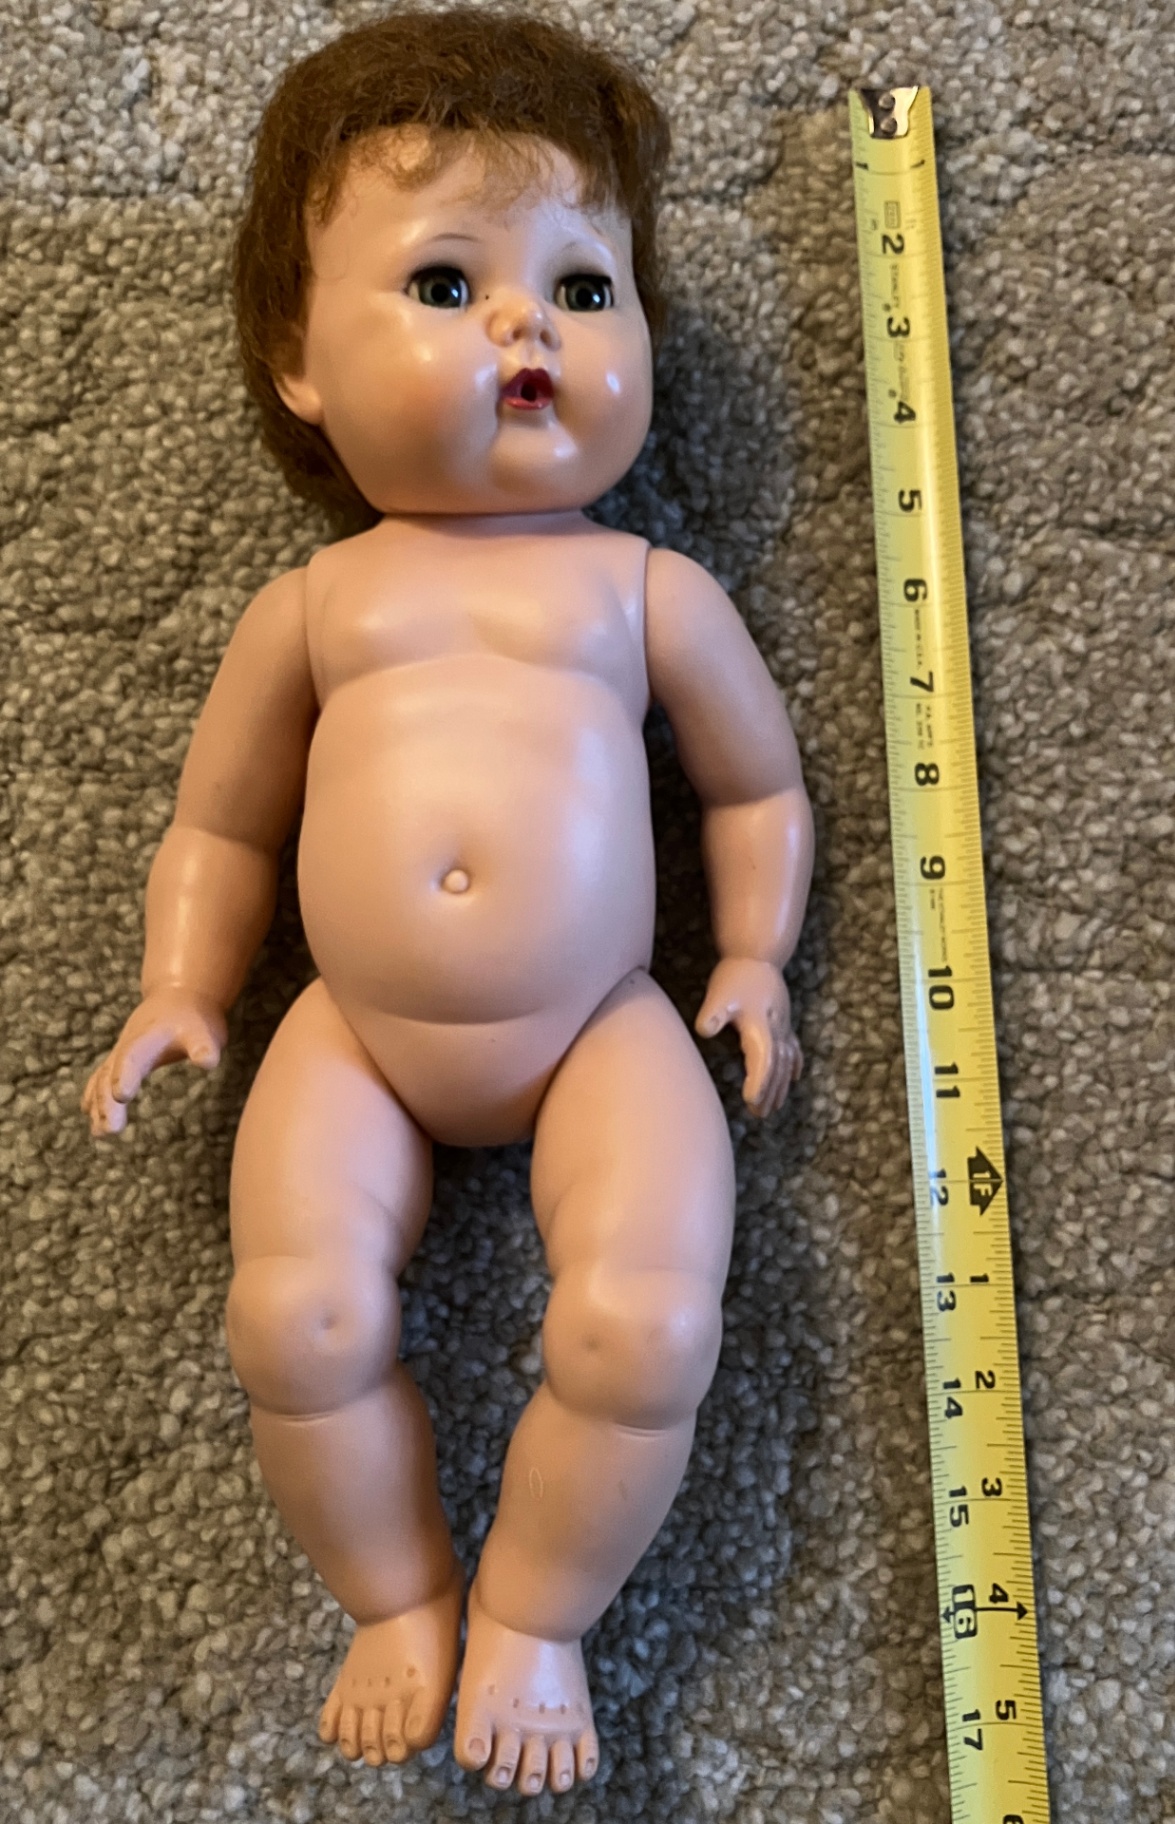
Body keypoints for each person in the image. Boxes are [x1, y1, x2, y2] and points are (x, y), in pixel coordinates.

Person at [82, 7, 814, 1797]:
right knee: (297, 1320)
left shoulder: (646, 592)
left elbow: (757, 789)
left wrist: (754, 954)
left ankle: (540, 1616)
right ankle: (397, 1594)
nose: (523, 328)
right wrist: (184, 981)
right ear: (297, 360)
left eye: (583, 287)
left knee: (648, 1323)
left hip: (600, 1030)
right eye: (442, 282)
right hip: (354, 1033)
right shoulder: (315, 609)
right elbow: (220, 827)